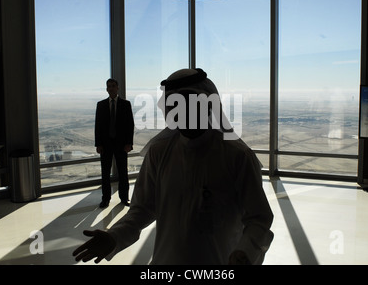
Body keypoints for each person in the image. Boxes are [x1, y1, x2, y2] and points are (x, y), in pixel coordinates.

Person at [74, 69, 274, 264]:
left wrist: (245, 252)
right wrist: (114, 237)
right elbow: (142, 210)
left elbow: (259, 218)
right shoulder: (159, 153)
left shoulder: (237, 156)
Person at [95, 78, 134, 208]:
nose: (111, 88)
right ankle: (105, 199)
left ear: (118, 88)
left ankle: (124, 198)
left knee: (123, 172)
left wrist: (129, 143)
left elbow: (130, 125)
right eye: (109, 86)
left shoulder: (126, 104)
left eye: (113, 86)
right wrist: (98, 144)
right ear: (106, 89)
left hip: (121, 145)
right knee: (105, 173)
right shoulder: (100, 105)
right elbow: (98, 126)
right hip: (105, 145)